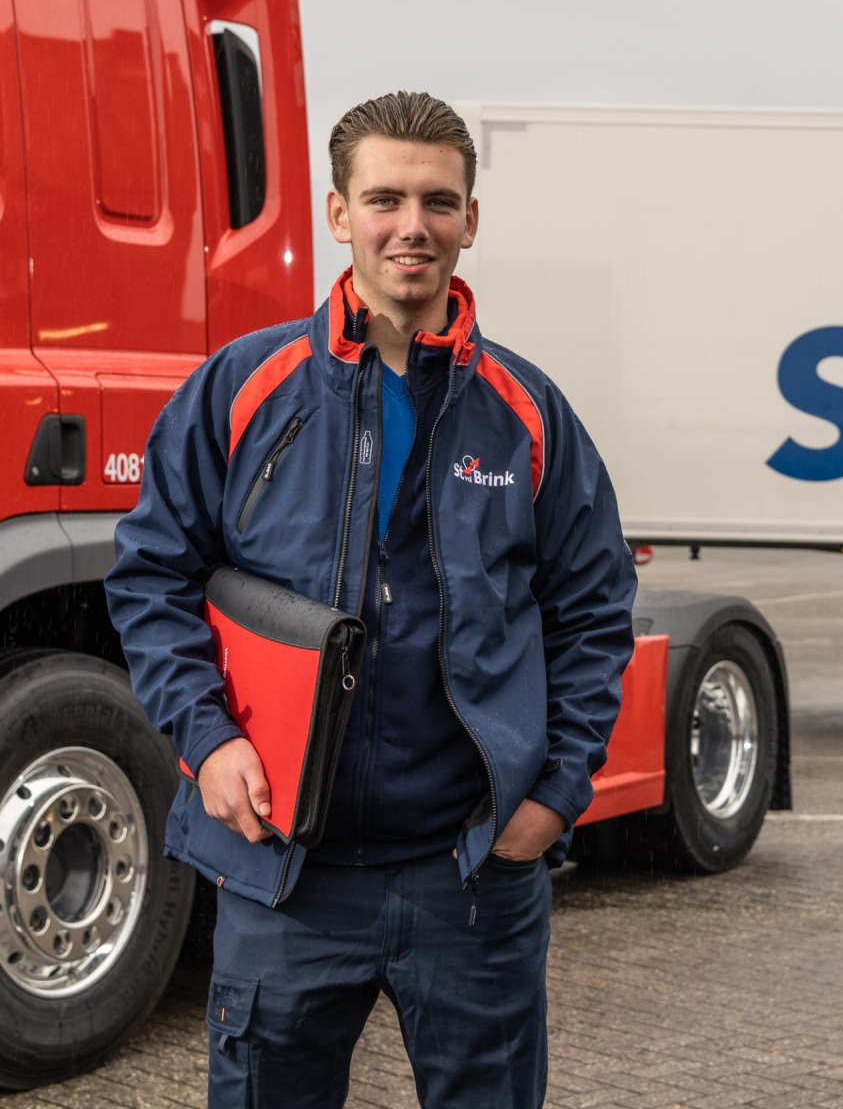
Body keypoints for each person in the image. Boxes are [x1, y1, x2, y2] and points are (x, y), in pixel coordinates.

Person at [106, 91, 636, 1107]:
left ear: (470, 220)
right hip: (285, 875)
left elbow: (593, 610)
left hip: (470, 874)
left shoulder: (527, 414)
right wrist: (209, 741)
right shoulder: (242, 389)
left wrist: (553, 794)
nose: (413, 225)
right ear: (339, 212)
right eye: (385, 196)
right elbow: (151, 578)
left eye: (439, 201)